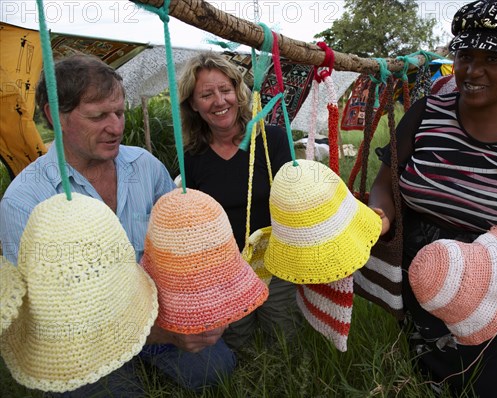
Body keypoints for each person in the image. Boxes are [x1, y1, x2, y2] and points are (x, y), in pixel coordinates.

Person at [368, 1, 497, 396]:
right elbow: (386, 183)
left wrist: (481, 259)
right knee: (443, 381)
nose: (472, 71)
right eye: (465, 56)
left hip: (493, 278)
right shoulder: (426, 114)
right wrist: (380, 214)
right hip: (423, 278)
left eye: (492, 58)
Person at [0, 54, 235, 396]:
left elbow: (178, 247)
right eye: (98, 116)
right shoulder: (26, 200)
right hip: (80, 340)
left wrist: (195, 308)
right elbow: (44, 317)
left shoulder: (145, 166)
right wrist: (164, 334)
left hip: (153, 309)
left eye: (120, 113)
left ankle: (144, 354)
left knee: (216, 370)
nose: (116, 127)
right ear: (55, 115)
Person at [178, 51, 303, 352]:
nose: (219, 101)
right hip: (224, 269)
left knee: (283, 342)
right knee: (237, 344)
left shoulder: (271, 139)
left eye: (225, 89)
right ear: (193, 105)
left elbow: (295, 199)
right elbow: (193, 221)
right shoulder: (192, 158)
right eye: (206, 94)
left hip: (275, 263)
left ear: (238, 91)